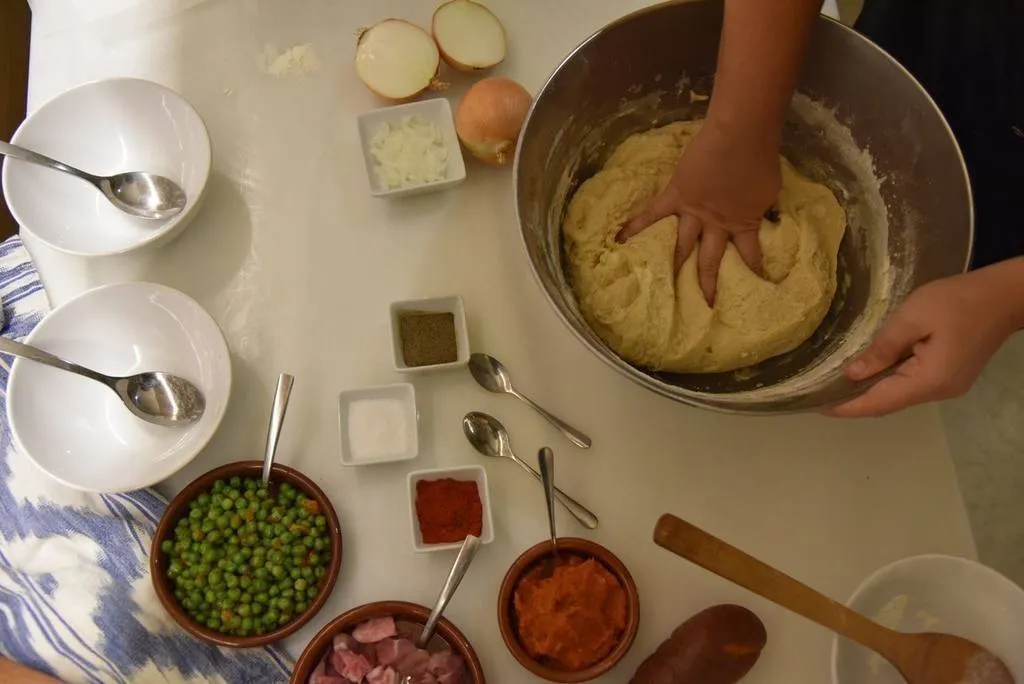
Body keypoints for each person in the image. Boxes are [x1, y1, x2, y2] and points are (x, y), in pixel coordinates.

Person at [617, 0, 1024, 418]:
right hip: (927, 39)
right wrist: (736, 132)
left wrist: (1007, 298)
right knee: (878, 109)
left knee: (956, 269)